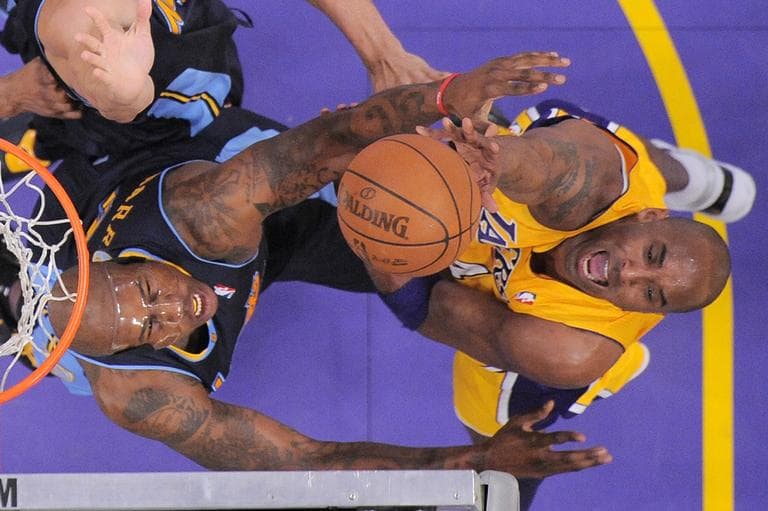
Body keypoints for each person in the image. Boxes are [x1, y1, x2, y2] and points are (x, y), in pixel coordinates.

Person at [5, 52, 618, 478]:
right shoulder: (139, 392)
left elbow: (335, 138)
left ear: (121, 260)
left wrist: (447, 94)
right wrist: (476, 461)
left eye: (148, 291)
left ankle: (624, 163)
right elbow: (304, 461)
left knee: (430, 181)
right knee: (440, 275)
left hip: (180, 169)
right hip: (227, 271)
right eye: (149, 329)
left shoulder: (208, 212)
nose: (175, 310)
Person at [370, 99, 740, 509]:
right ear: (647, 218)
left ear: (646, 311)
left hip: (519, 326)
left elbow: (424, 307)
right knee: (646, 166)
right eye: (651, 255)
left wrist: (376, 224)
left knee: (499, 471)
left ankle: (620, 363)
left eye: (650, 294)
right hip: (547, 189)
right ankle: (699, 180)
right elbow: (542, 162)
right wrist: (495, 154)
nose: (629, 273)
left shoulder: (571, 348)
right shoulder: (596, 184)